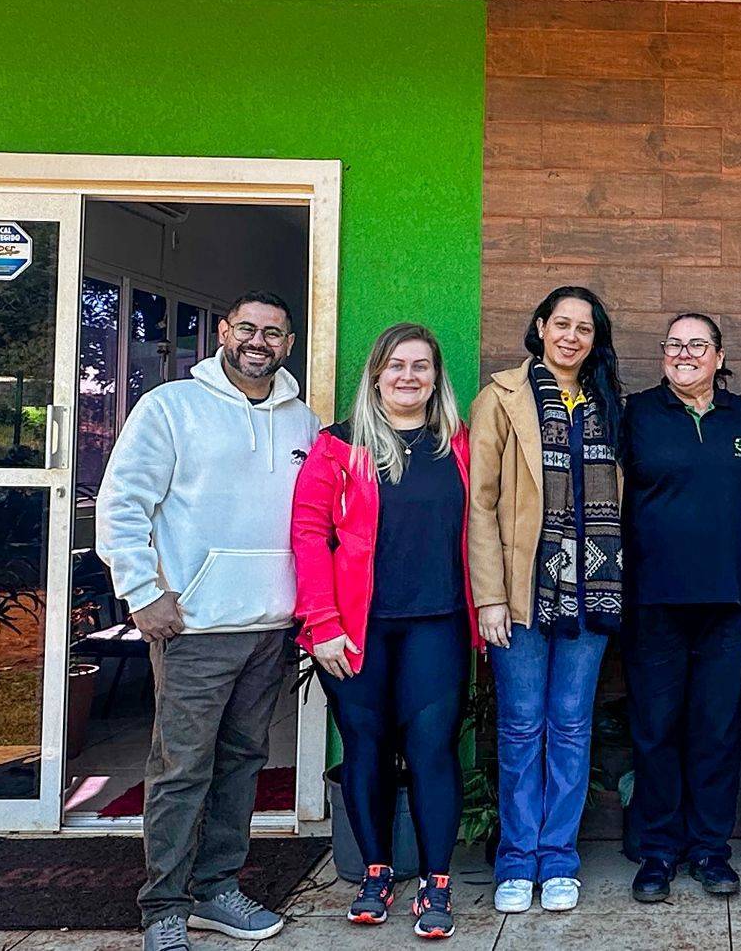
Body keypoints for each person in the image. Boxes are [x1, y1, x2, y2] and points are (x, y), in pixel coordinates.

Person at [96, 292, 320, 951]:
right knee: (181, 768)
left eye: (273, 332)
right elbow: (123, 503)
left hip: (268, 623)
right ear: (223, 332)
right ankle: (164, 905)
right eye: (246, 328)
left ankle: (217, 889)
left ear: (289, 342)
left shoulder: (302, 422)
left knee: (244, 761)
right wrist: (142, 591)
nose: (258, 341)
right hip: (192, 623)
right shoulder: (171, 408)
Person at [291, 323, 478, 939]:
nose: (407, 376)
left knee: (432, 752)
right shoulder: (338, 448)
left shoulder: (458, 445)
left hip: (438, 624)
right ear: (375, 373)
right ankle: (375, 872)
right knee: (365, 748)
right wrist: (322, 624)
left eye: (420, 366)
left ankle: (436, 883)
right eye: (396, 365)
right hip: (354, 631)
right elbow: (309, 537)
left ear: (435, 378)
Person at [468, 286, 625, 915]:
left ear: (595, 339)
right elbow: (480, 504)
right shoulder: (501, 397)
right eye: (561, 324)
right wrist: (489, 598)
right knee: (521, 725)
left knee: (570, 726)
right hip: (522, 593)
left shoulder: (607, 401)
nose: (571, 336)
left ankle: (559, 858)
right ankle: (516, 859)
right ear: (540, 326)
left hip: (593, 592)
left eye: (584, 328)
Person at [620, 313, 741, 904]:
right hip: (653, 598)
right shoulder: (638, 414)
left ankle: (709, 850)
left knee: (716, 731)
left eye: (697, 345)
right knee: (656, 730)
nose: (684, 354)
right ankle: (656, 853)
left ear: (718, 356)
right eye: (674, 345)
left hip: (727, 598)